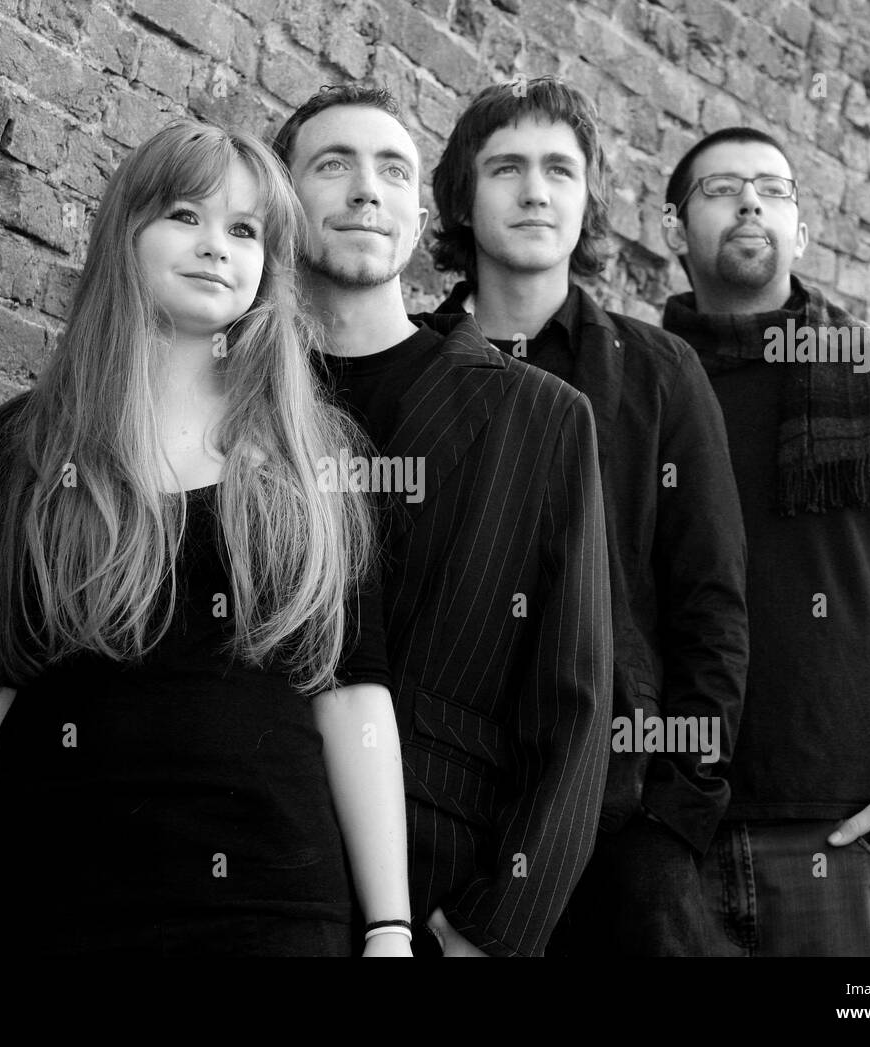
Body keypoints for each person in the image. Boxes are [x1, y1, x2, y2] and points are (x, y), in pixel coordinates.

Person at [0, 119, 412, 958]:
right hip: (50, 900)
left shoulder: (315, 456)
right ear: (127, 233)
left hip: (272, 908)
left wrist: (390, 927)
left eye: (245, 230)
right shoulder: (29, 444)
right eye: (186, 215)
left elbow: (352, 696)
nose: (217, 245)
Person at [274, 85, 613, 957]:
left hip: (439, 890)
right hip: (244, 866)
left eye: (393, 170)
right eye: (333, 165)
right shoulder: (230, 397)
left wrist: (497, 929)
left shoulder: (541, 416)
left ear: (419, 216)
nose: (366, 189)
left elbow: (573, 703)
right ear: (280, 201)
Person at [426, 77, 748, 957]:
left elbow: (711, 606)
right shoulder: (414, 363)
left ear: (587, 199)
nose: (536, 191)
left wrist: (674, 817)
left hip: (621, 820)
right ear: (462, 198)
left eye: (560, 171)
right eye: (507, 168)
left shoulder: (659, 373)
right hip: (441, 814)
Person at [660, 126, 870, 955]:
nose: (750, 203)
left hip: (847, 836)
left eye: (773, 190)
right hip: (664, 834)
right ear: (673, 228)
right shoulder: (639, 381)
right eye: (721, 188)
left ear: (802, 232)